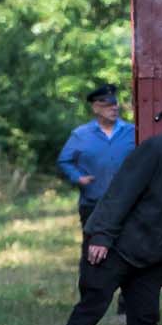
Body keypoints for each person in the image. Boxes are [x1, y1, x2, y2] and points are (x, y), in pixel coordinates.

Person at [46, 130, 162, 325]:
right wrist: (102, 235)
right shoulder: (157, 150)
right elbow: (121, 191)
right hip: (116, 246)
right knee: (91, 307)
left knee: (145, 318)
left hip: (151, 256)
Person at [55, 84, 135, 234]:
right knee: (92, 248)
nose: (114, 108)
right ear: (95, 108)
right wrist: (78, 177)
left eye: (115, 104)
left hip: (127, 202)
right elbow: (64, 161)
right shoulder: (80, 135)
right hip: (93, 203)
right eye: (108, 105)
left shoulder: (132, 132)